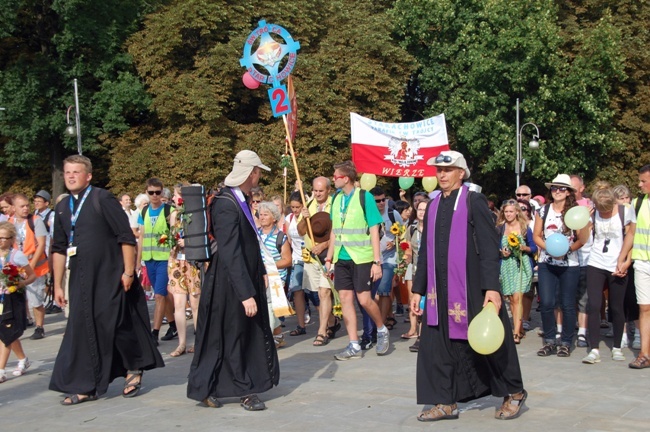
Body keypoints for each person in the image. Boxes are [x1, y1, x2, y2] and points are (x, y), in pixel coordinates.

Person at [410, 150, 526, 421]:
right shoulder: (434, 204)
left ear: (461, 173)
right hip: (439, 289)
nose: (441, 174)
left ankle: (514, 391)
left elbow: (488, 247)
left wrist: (492, 288)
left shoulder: (474, 201)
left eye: (447, 170)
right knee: (438, 345)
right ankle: (445, 401)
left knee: (490, 341)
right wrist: (418, 289)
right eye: (438, 170)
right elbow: (426, 252)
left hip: (471, 285)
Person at [49, 155, 164, 405]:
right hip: (79, 279)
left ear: (88, 176)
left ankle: (134, 366)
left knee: (115, 324)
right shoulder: (61, 207)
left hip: (110, 275)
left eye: (76, 172)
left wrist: (128, 272)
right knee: (81, 329)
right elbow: (58, 248)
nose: (70, 176)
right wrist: (57, 284)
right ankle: (86, 385)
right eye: (67, 172)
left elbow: (126, 237)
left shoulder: (102, 199)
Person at [187, 150, 279, 411]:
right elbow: (230, 251)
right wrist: (245, 293)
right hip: (228, 284)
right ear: (251, 173)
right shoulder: (226, 203)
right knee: (233, 335)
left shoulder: (239, 199)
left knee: (235, 335)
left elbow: (250, 242)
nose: (259, 175)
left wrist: (259, 271)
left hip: (241, 279)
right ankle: (242, 388)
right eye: (258, 171)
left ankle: (214, 385)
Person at [325, 161, 390, 360]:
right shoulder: (336, 199)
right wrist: (329, 257)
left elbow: (374, 229)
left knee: (364, 299)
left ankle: (381, 329)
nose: (332, 179)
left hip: (362, 257)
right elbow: (336, 230)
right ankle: (354, 344)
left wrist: (377, 262)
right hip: (341, 257)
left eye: (335, 176)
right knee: (345, 299)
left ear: (345, 178)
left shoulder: (364, 197)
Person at [533, 174, 589, 358]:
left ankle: (566, 342)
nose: (557, 191)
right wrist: (549, 249)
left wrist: (567, 250)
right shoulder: (543, 210)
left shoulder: (574, 211)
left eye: (562, 188)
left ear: (569, 192)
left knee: (567, 304)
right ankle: (550, 340)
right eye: (554, 188)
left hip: (569, 264)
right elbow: (536, 236)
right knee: (547, 303)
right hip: (547, 263)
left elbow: (582, 239)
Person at [581, 184, 635, 364]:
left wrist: (625, 261)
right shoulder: (593, 213)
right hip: (596, 262)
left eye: (606, 210)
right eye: (600, 210)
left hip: (617, 264)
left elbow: (631, 236)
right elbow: (582, 238)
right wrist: (584, 221)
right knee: (594, 305)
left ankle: (618, 347)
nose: (603, 214)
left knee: (616, 306)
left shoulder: (625, 211)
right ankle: (594, 348)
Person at [297, 177, 338, 347]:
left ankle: (321, 332)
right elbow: (300, 231)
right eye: (315, 190)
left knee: (324, 292)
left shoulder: (335, 205)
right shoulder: (309, 205)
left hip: (329, 256)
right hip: (311, 258)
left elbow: (339, 232)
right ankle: (332, 322)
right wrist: (303, 218)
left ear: (328, 190)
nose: (318, 194)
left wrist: (325, 245)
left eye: (321, 191)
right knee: (316, 295)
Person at [136, 178, 177, 344]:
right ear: (146, 192)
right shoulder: (144, 212)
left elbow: (174, 234)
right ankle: (173, 324)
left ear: (162, 193)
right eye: (151, 192)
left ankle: (154, 332)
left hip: (164, 259)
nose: (154, 195)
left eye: (157, 192)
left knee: (159, 295)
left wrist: (164, 243)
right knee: (163, 294)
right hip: (149, 259)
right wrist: (138, 261)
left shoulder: (170, 210)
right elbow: (141, 237)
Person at [167, 185, 201, 357]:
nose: (173, 199)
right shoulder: (174, 214)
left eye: (176, 196)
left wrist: (188, 243)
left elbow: (200, 237)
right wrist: (172, 245)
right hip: (177, 262)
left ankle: (198, 341)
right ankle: (181, 343)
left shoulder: (196, 214)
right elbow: (173, 235)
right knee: (179, 304)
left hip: (192, 261)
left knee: (195, 303)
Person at [0, 222, 36, 383]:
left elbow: (31, 276)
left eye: (4, 238)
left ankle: (1, 369)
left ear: (12, 239)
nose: (0, 240)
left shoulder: (17, 255)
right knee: (8, 332)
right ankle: (22, 359)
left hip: (12, 298)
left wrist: (20, 284)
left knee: (6, 331)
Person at [496, 200, 537, 344]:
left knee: (518, 297)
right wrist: (502, 252)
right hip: (507, 265)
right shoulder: (500, 228)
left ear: (517, 212)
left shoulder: (525, 228)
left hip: (522, 264)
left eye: (511, 211)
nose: (508, 214)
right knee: (512, 299)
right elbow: (495, 248)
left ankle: (515, 333)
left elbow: (534, 248)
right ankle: (519, 327)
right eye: (506, 212)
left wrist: (523, 248)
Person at [11, 194, 49, 340]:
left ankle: (40, 327)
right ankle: (20, 323)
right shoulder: (9, 222)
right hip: (15, 267)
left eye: (27, 205)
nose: (26, 208)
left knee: (35, 298)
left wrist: (30, 267)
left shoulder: (35, 221)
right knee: (16, 297)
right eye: (22, 206)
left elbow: (40, 245)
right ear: (14, 208)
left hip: (35, 266)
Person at [630, 164, 650, 369]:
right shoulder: (637, 203)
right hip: (642, 262)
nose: (640, 184)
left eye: (643, 181)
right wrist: (624, 258)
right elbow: (631, 234)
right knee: (644, 307)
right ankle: (644, 353)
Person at [402, 199, 429, 347]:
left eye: (425, 210)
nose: (422, 212)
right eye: (419, 209)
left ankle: (424, 336)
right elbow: (408, 252)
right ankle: (418, 335)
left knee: (428, 302)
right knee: (416, 301)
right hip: (416, 270)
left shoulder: (435, 228)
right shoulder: (411, 229)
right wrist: (404, 262)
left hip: (431, 271)